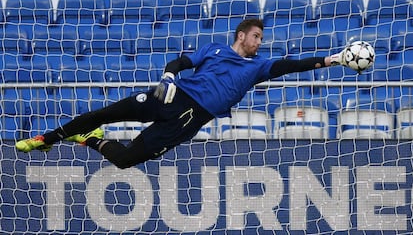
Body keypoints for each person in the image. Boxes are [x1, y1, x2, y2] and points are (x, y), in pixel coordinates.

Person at [16, 18, 349, 169]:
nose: (260, 42)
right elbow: (180, 61)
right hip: (172, 96)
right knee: (108, 111)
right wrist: (169, 75)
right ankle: (46, 139)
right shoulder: (214, 50)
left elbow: (292, 65)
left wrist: (330, 60)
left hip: (190, 120)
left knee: (125, 160)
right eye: (257, 36)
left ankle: (89, 139)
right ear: (242, 35)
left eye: (261, 38)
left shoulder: (258, 67)